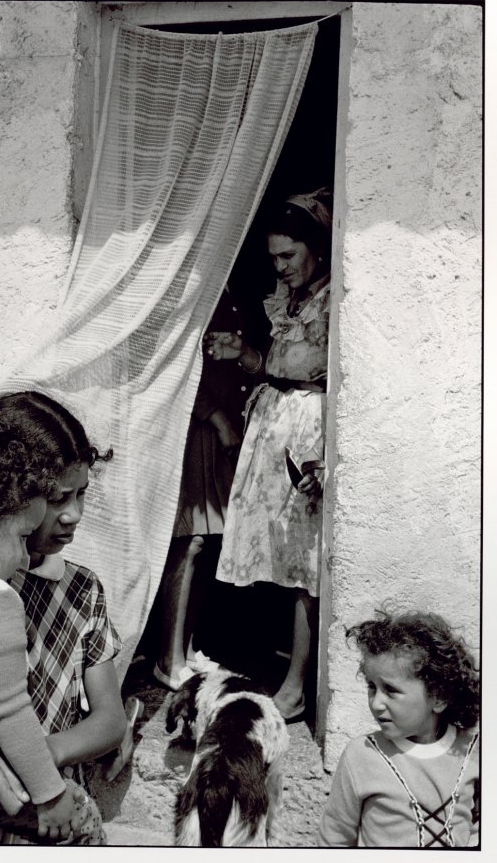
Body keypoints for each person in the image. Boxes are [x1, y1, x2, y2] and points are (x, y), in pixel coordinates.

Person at [0, 391, 142, 845]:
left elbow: (110, 721)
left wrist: (41, 757)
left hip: (38, 814)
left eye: (81, 494)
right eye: (59, 498)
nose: (74, 515)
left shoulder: (82, 592)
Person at [203, 187, 332, 721]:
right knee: (276, 556)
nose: (280, 269)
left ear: (318, 249)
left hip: (306, 433)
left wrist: (326, 459)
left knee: (303, 560)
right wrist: (246, 355)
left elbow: (335, 380)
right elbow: (278, 367)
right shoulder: (289, 302)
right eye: (274, 258)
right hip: (272, 424)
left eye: (289, 256)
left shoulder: (336, 302)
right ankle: (275, 663)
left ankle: (297, 684)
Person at [153, 286, 258, 691]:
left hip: (223, 430)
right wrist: (216, 418)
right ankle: (167, 657)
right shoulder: (189, 284)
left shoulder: (232, 289)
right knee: (191, 537)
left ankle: (186, 646)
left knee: (209, 540)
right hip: (195, 426)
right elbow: (171, 362)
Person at [317, 610, 479, 848]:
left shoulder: (472, 751)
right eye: (372, 687)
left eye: (391, 690)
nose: (376, 703)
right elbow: (334, 839)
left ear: (439, 696)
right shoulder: (361, 756)